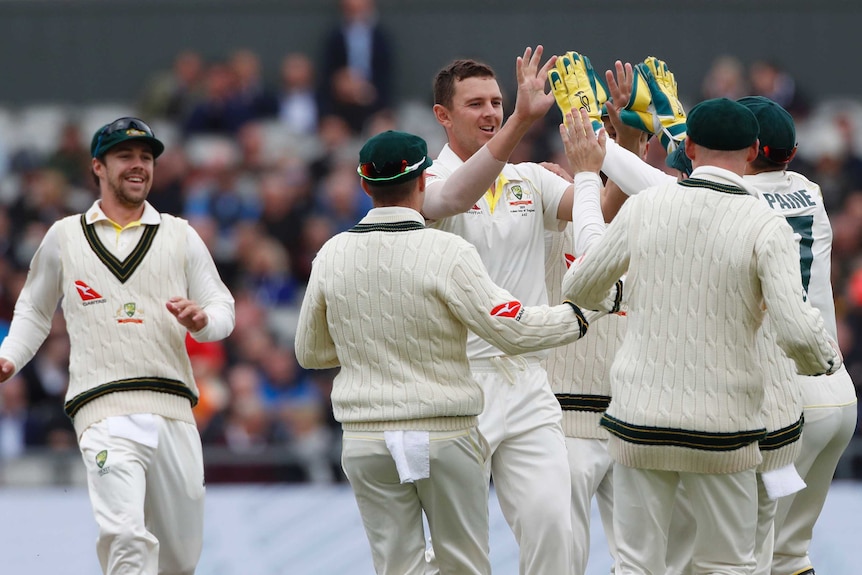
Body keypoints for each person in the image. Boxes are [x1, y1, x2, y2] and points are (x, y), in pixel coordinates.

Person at [293, 130, 596, 575]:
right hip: (441, 427)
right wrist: (580, 316)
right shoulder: (448, 250)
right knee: (463, 565)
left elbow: (310, 351)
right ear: (422, 182)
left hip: (366, 437)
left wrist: (375, 345)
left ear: (363, 186)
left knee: (398, 566)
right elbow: (510, 331)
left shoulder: (332, 253)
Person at [561, 98, 842, 574]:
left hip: (639, 422)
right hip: (725, 430)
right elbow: (796, 332)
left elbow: (579, 285)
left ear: (688, 146)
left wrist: (624, 292)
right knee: (727, 564)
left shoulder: (647, 205)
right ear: (752, 150)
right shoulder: (765, 223)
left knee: (636, 564)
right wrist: (824, 365)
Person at [0, 116, 236, 575]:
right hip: (102, 409)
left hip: (173, 408)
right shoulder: (64, 237)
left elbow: (222, 307)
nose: (138, 165)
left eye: (146, 157)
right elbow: (33, 311)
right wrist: (9, 357)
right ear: (98, 167)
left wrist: (203, 321)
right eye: (125, 156)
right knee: (125, 537)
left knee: (180, 558)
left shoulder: (179, 234)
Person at [419, 45, 600, 574]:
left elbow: (598, 215)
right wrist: (522, 120)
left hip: (527, 379)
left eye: (497, 102)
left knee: (554, 530)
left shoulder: (530, 179)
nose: (491, 111)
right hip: (458, 383)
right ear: (443, 115)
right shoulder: (426, 184)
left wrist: (602, 154)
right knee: (459, 548)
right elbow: (454, 197)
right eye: (476, 103)